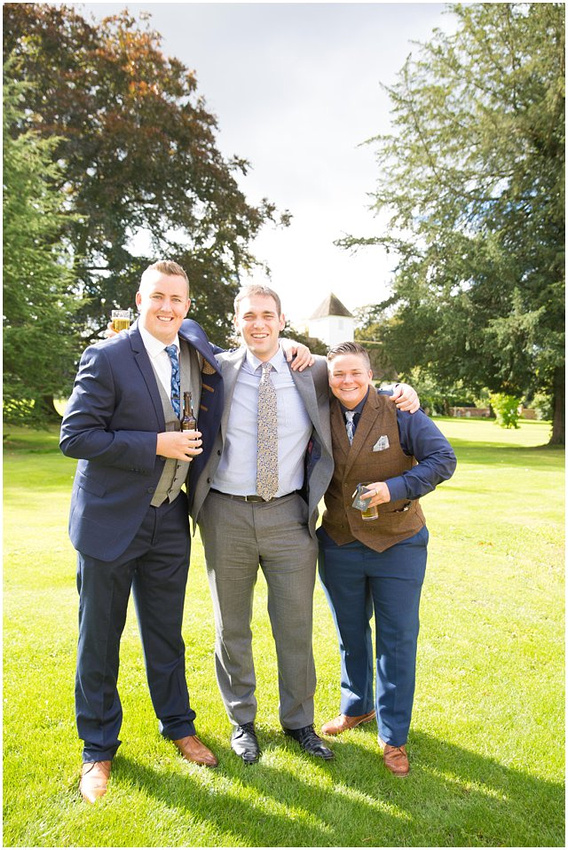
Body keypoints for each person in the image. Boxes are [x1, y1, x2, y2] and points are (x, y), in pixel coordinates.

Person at [191, 285, 419, 765]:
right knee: (231, 626)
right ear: (236, 322)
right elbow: (183, 334)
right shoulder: (216, 370)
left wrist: (401, 392)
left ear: (282, 320)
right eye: (249, 316)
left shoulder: (312, 371)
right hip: (225, 512)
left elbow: (354, 382)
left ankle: (299, 723)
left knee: (295, 625)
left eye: (267, 315)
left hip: (291, 515)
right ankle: (243, 723)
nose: (258, 323)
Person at [61, 260, 228, 803]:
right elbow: (77, 437)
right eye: (158, 297)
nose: (168, 308)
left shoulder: (195, 349)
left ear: (188, 306)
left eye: (178, 299)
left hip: (169, 518)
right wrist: (154, 444)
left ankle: (178, 725)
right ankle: (97, 749)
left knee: (166, 633)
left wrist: (302, 347)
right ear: (139, 299)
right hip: (111, 520)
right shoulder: (105, 357)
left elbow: (264, 346)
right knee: (99, 639)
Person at [317, 341, 456, 776]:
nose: (347, 381)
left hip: (398, 543)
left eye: (355, 372)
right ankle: (356, 707)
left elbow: (443, 459)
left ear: (370, 375)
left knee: (396, 641)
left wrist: (395, 488)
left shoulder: (400, 409)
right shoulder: (319, 409)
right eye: (338, 373)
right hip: (339, 543)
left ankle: (394, 736)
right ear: (328, 378)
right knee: (350, 633)